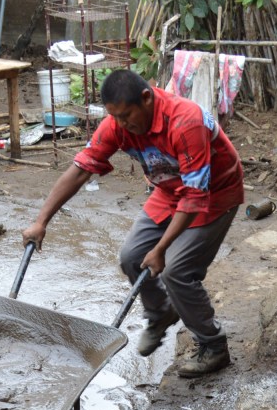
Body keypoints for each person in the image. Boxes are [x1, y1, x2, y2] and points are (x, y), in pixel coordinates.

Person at [22, 69, 244, 378]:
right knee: (131, 257)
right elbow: (80, 170)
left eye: (127, 116)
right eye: (116, 118)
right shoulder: (117, 124)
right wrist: (40, 221)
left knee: (176, 271)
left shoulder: (185, 121)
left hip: (214, 192)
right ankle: (161, 314)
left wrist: (162, 249)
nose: (123, 125)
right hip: (168, 189)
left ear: (146, 98)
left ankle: (213, 345)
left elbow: (194, 197)